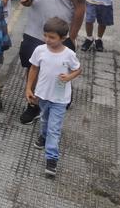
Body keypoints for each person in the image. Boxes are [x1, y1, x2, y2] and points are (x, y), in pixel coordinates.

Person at [18, 0, 85, 125]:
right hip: (33, 31)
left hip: (60, 36)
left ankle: (60, 98)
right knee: (32, 68)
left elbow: (80, 8)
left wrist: (71, 37)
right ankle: (33, 105)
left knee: (58, 72)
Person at [25, 16, 82, 178]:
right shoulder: (39, 50)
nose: (47, 40)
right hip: (43, 94)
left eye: (52, 37)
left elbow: (78, 69)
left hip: (60, 98)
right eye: (46, 36)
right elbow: (34, 68)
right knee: (44, 119)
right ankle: (43, 136)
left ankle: (51, 159)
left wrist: (70, 77)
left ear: (63, 38)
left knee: (54, 129)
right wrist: (29, 88)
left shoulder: (69, 54)